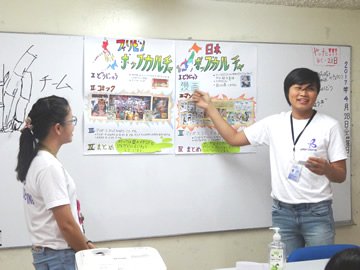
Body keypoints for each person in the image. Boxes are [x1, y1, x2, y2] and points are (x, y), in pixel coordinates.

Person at [192, 68, 347, 256]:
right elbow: (234, 138)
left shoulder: (329, 125)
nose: (303, 93)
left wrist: (327, 169)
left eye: (310, 88)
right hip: (282, 213)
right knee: (284, 265)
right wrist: (210, 108)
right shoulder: (274, 123)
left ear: (316, 93)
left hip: (317, 212)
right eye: (298, 87)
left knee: (321, 264)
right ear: (288, 91)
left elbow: (340, 175)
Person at [16, 95, 95, 270]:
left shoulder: (37, 161)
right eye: (71, 120)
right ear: (58, 128)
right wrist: (88, 257)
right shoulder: (48, 167)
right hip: (60, 258)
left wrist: (85, 241)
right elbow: (66, 225)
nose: (74, 126)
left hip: (51, 256)